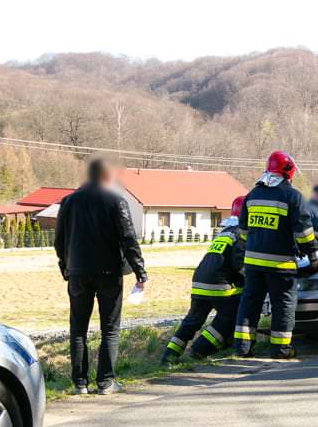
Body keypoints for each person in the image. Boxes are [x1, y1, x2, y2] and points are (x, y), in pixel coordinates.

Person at [54, 159, 147, 395]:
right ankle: (106, 382)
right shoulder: (115, 201)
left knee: (78, 329)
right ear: (106, 177)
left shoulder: (68, 202)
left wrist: (66, 267)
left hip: (77, 272)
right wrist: (140, 271)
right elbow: (128, 239)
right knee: (110, 329)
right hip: (109, 272)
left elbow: (59, 241)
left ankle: (79, 384)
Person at [233, 151, 318, 359]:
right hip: (280, 266)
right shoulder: (292, 196)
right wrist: (312, 254)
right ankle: (280, 350)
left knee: (249, 304)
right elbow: (303, 231)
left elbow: (242, 231)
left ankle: (242, 348)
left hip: (253, 264)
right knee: (284, 305)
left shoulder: (252, 195)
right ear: (288, 171)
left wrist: (244, 255)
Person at [161, 195, 246, 364]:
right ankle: (200, 349)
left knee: (192, 321)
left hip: (199, 282)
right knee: (229, 317)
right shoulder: (240, 234)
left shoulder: (223, 232)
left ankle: (169, 356)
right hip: (220, 285)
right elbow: (239, 264)